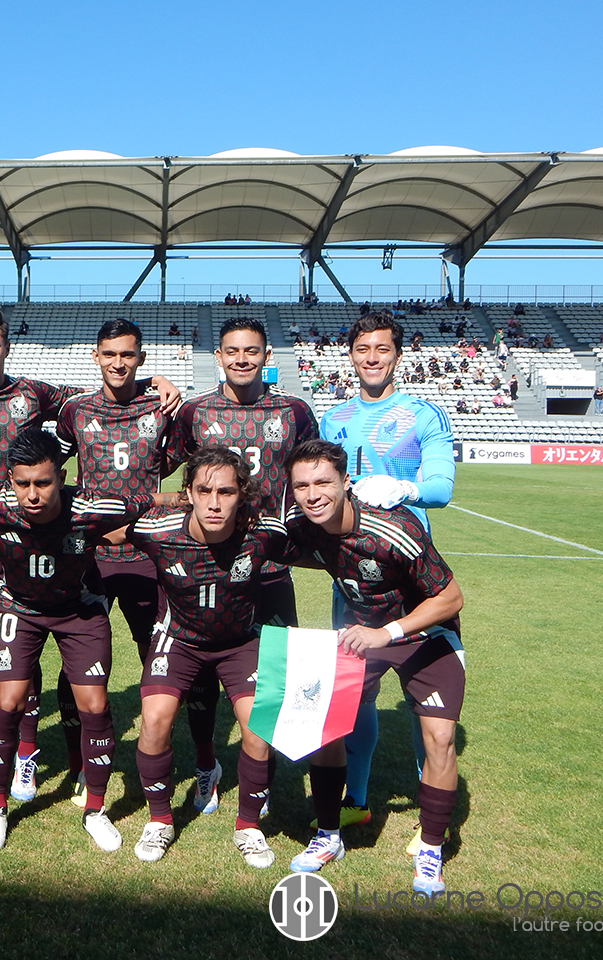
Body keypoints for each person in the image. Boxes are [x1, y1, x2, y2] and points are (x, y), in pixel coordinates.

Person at [0, 308, 179, 801]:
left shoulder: (37, 393)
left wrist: (152, 381)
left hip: (33, 539)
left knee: (35, 638)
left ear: (6, 347)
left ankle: (27, 753)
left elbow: (105, 388)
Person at [282, 440, 466, 896]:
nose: (312, 495)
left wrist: (388, 633)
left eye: (323, 482)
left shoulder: (393, 528)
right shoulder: (302, 526)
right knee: (324, 725)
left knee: (440, 738)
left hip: (423, 634)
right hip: (359, 632)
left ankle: (430, 846)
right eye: (302, 486)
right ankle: (329, 835)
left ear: (347, 482)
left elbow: (450, 598)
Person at [0, 429, 155, 853]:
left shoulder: (90, 507)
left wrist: (190, 502)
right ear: (9, 480)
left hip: (79, 609)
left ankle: (95, 810)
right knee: (9, 701)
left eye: (43, 483)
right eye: (22, 483)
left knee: (95, 706)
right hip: (19, 608)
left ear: (62, 477)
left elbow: (151, 501)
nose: (32, 494)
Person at [167, 317, 318, 812]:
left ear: (266, 355)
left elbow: (310, 475)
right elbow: (168, 471)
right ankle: (206, 765)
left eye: (251, 350)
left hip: (269, 568)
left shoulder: (294, 411)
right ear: (218, 356)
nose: (241, 359)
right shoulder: (195, 411)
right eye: (232, 350)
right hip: (207, 567)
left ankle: (262, 778)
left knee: (272, 678)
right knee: (202, 678)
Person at [318, 312, 454, 841]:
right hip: (354, 578)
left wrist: (406, 488)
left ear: (398, 355)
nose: (371, 358)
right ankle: (355, 800)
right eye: (362, 349)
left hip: (413, 577)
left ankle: (430, 814)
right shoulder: (333, 419)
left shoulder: (422, 414)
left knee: (427, 705)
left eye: (382, 348)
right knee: (356, 695)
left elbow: (441, 486)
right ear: (350, 356)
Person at [117, 447, 283, 866]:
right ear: (188, 492)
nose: (214, 503)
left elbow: (316, 542)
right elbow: (101, 527)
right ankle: (159, 820)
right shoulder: (159, 530)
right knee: (154, 719)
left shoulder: (262, 533)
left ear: (241, 495)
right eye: (204, 491)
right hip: (179, 639)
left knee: (259, 729)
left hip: (240, 642)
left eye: (226, 492)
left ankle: (249, 826)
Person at [56, 319, 178, 806]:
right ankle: (78, 764)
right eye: (109, 354)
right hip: (91, 556)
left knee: (158, 659)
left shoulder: (162, 408)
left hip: (148, 554)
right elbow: (49, 467)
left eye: (128, 354)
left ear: (141, 358)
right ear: (96, 356)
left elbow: (184, 466)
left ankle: (161, 753)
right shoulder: (76, 410)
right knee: (78, 663)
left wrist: (158, 384)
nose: (118, 362)